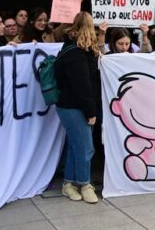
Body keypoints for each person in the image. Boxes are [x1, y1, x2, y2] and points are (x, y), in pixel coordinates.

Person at [54, 12, 100, 204]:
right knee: (85, 148)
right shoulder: (77, 54)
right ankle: (84, 183)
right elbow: (82, 86)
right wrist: (91, 111)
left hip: (69, 105)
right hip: (74, 106)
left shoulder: (71, 48)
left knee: (76, 146)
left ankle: (69, 184)